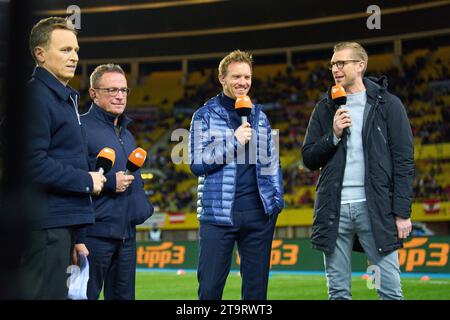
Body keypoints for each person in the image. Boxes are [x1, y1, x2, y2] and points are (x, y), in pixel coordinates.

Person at [302, 42, 414, 300]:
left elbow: (404, 161)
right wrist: (333, 135)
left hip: (376, 207)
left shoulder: (388, 105)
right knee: (338, 293)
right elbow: (308, 158)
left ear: (360, 65)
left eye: (341, 63)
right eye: (332, 64)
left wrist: (402, 212)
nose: (335, 69)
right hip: (334, 208)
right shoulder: (324, 107)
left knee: (389, 291)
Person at [189, 50, 283, 300]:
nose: (243, 82)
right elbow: (197, 163)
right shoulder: (204, 115)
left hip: (258, 214)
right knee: (209, 290)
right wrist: (234, 141)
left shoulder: (259, 116)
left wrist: (276, 203)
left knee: (256, 293)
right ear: (222, 78)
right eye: (236, 77)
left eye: (247, 77)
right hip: (219, 215)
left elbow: (272, 163)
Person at [23, 17, 106, 299]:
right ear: (40, 53)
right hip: (44, 226)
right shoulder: (35, 97)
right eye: (65, 50)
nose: (74, 57)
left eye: (76, 50)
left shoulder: (63, 98)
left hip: (61, 226)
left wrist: (78, 236)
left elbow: (66, 158)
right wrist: (85, 180)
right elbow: (29, 164)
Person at [79, 64, 154, 300]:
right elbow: (70, 180)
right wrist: (109, 182)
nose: (120, 95)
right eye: (112, 90)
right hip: (94, 235)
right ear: (93, 93)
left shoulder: (127, 133)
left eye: (123, 90)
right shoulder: (79, 128)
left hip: (126, 236)